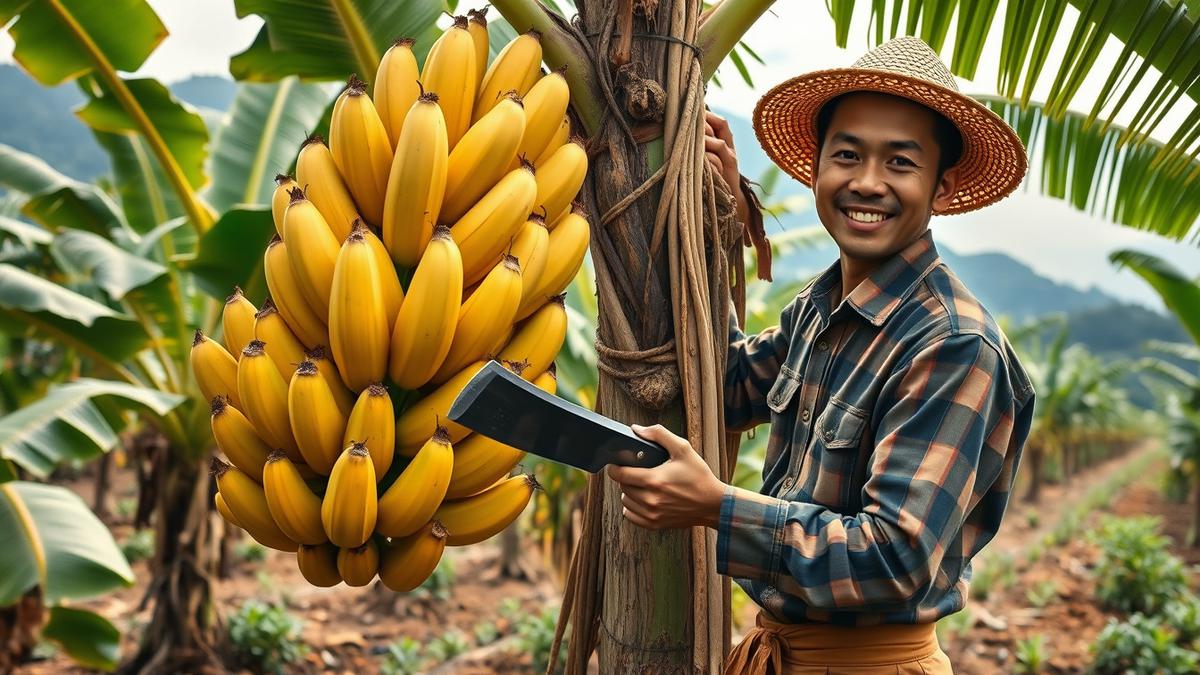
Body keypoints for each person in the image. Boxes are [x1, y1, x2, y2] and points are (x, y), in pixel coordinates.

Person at [606, 36, 1037, 673]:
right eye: (847, 155)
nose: (867, 182)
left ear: (941, 187)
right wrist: (720, 221)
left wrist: (715, 506)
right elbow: (727, 385)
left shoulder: (952, 344)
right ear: (815, 170)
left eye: (899, 163)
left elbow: (894, 559)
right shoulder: (822, 307)